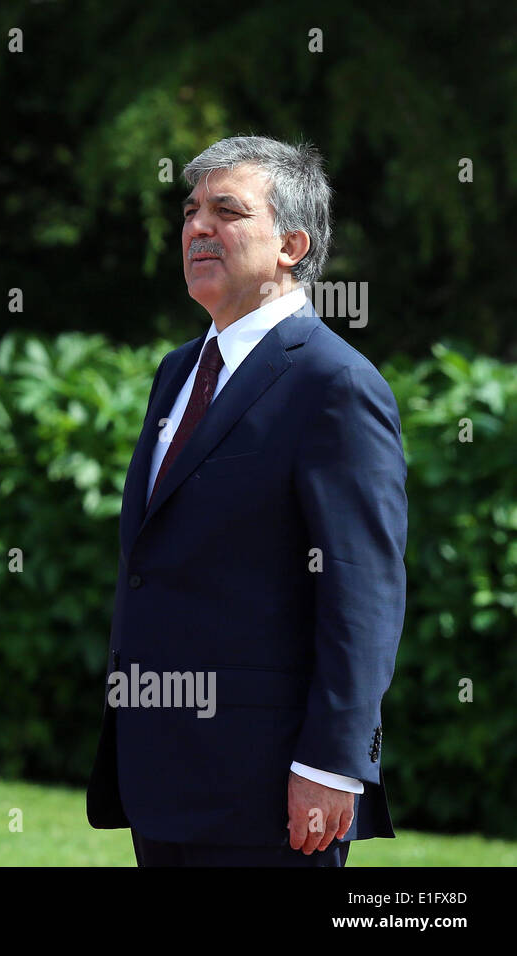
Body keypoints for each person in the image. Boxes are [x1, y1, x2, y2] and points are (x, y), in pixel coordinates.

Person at [86, 135, 407, 866]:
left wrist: (332, 765)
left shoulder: (335, 384)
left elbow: (363, 590)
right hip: (159, 770)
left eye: (226, 212)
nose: (197, 227)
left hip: (268, 787)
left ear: (292, 243)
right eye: (191, 210)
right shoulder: (177, 371)